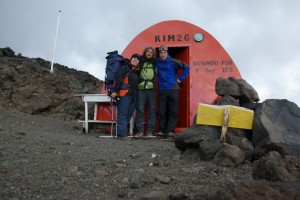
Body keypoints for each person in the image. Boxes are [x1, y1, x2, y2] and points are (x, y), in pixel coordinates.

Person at [155, 45, 190, 138]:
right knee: (161, 110)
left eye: (164, 53)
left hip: (173, 89)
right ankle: (162, 130)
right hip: (162, 89)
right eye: (161, 53)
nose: (163, 55)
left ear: (167, 53)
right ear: (159, 54)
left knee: (172, 110)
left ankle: (170, 130)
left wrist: (180, 79)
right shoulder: (156, 62)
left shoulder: (173, 61)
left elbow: (187, 67)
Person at [111, 54, 140, 139]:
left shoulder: (136, 71)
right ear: (131, 59)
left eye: (137, 59)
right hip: (124, 95)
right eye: (134, 58)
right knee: (123, 115)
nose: (135, 60)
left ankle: (119, 133)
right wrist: (115, 91)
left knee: (128, 115)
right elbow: (118, 79)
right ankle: (121, 135)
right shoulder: (125, 68)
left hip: (133, 96)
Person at [135, 46, 156, 137]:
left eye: (151, 52)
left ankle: (150, 131)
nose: (149, 53)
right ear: (145, 52)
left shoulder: (155, 63)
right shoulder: (140, 61)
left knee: (151, 110)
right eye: (148, 51)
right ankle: (140, 131)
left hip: (151, 88)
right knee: (140, 109)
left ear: (153, 54)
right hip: (141, 88)